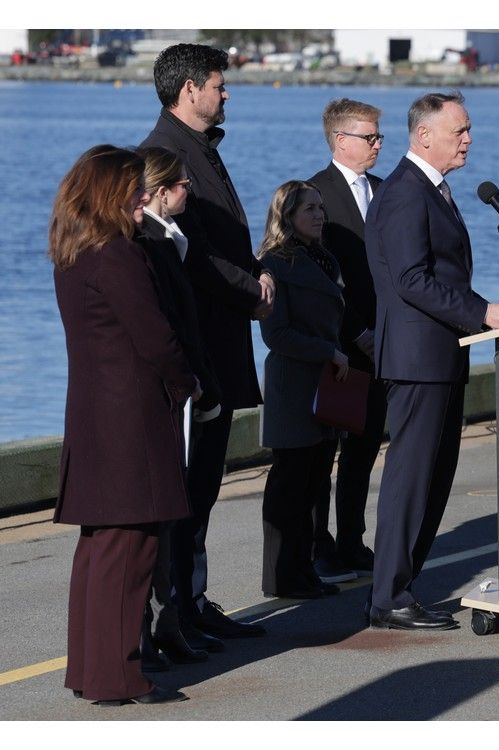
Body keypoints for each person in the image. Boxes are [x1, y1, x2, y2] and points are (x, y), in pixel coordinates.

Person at [364, 92, 499, 630]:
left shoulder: (434, 189)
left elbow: (441, 275)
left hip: (442, 354)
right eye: (458, 130)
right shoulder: (407, 193)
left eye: (468, 129)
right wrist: (483, 311)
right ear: (423, 136)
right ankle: (388, 597)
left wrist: (484, 311)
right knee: (412, 480)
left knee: (435, 479)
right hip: (416, 360)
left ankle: (403, 587)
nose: (468, 139)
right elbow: (412, 280)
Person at [51, 145, 198, 705]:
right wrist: (187, 382)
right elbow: (155, 336)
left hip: (92, 415)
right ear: (110, 193)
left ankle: (92, 670)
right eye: (134, 189)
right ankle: (119, 677)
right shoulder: (118, 253)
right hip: (130, 420)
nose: (144, 198)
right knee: (130, 549)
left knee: (99, 548)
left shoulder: (75, 249)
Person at [140, 43, 273, 644]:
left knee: (205, 486)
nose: (226, 94)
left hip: (219, 340)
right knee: (188, 487)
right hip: (200, 348)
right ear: (189, 89)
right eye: (219, 85)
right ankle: (174, 613)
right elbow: (187, 259)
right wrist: (253, 289)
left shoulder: (197, 150)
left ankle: (190, 599)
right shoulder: (163, 156)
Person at [135, 146, 221, 669]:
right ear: (160, 190)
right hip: (170, 396)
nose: (190, 191)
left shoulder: (171, 238)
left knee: (182, 512)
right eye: (184, 184)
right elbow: (169, 328)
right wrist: (195, 383)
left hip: (187, 387)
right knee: (167, 515)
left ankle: (177, 617)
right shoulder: (150, 240)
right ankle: (162, 624)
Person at [257, 181, 350, 599]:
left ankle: (305, 567)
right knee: (290, 484)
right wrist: (327, 351)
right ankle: (281, 575)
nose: (319, 215)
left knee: (315, 481)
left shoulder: (324, 258)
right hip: (294, 386)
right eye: (309, 209)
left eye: (320, 207)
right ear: (287, 215)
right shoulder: (275, 263)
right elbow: (276, 335)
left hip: (324, 387)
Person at [307, 98, 385, 584]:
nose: (378, 145)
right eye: (369, 137)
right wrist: (356, 331)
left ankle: (353, 539)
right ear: (341, 140)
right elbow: (323, 276)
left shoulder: (385, 189)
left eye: (379, 137)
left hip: (383, 341)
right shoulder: (314, 194)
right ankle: (319, 545)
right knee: (322, 453)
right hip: (338, 343)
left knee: (364, 448)